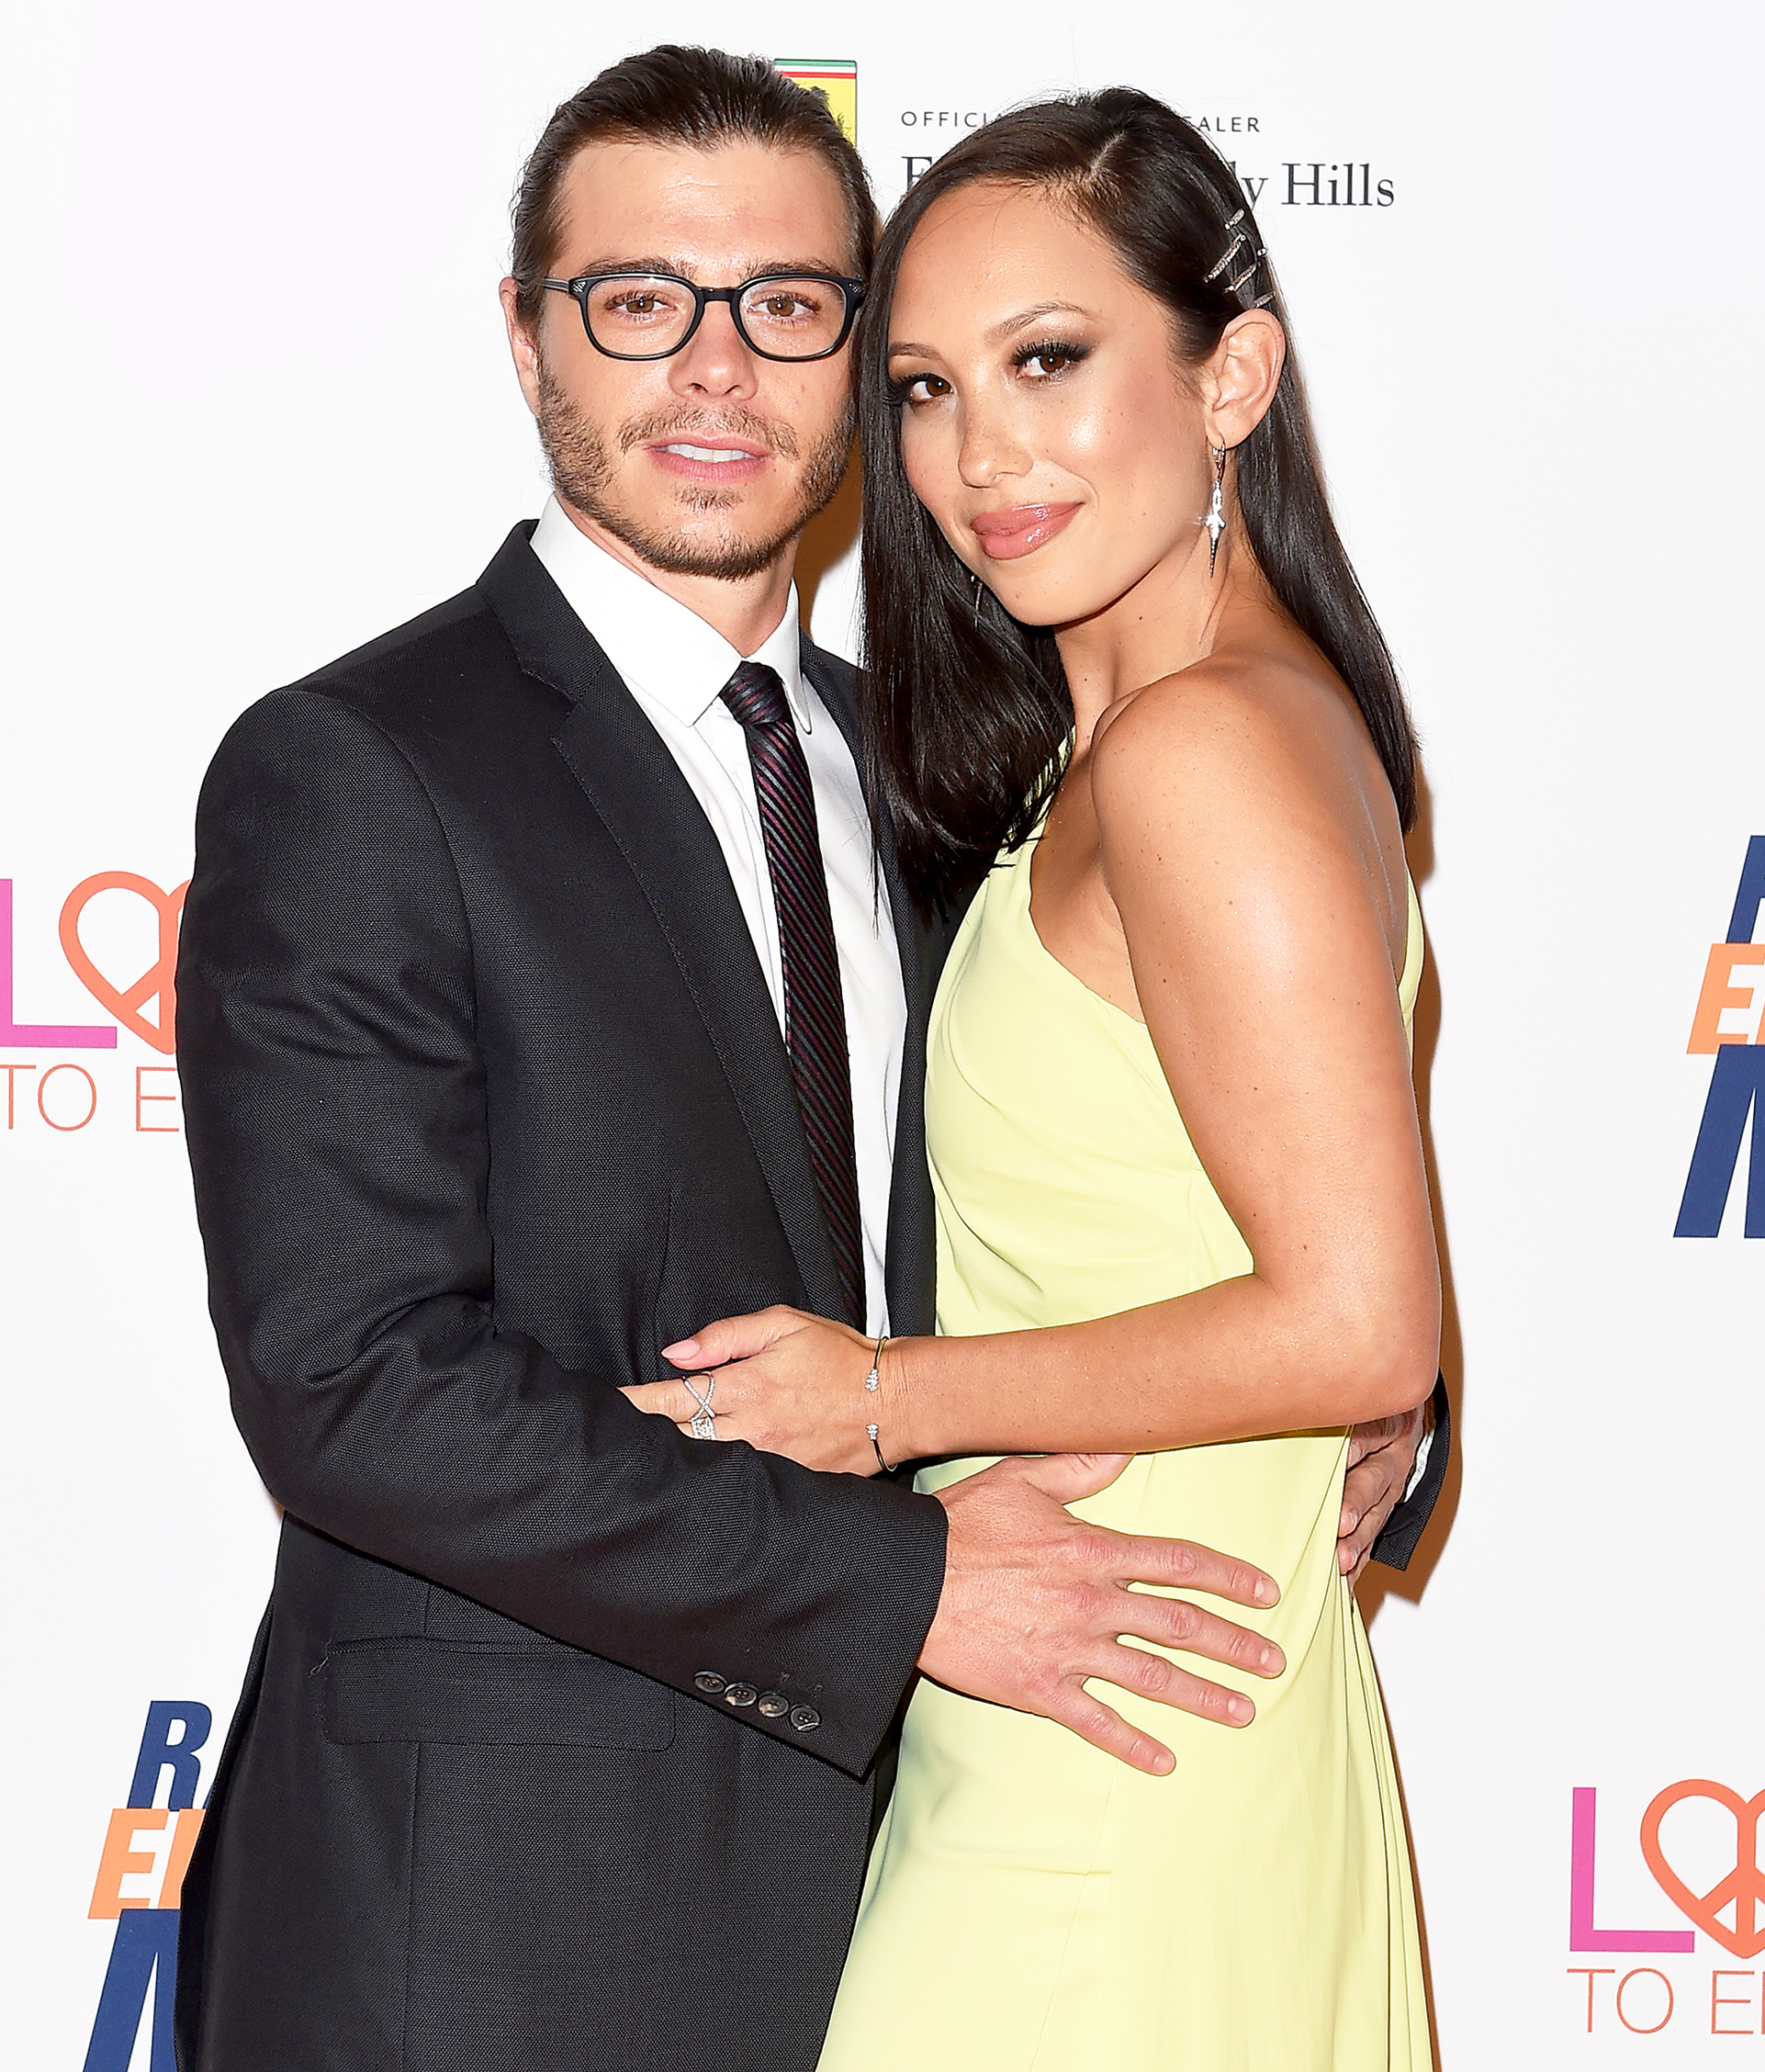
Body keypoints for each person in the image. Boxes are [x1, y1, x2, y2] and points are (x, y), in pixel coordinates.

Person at [173, 51, 1444, 2072]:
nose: (712, 369)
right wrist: (906, 1575)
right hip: (504, 1912)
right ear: (526, 337)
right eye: (634, 301)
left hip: (921, 1852)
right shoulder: (363, 769)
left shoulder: (954, 776)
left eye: (787, 306)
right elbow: (355, 1386)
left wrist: (1347, 1424)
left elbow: (1177, 1202)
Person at [625, 91, 1443, 2067]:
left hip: (1126, 1742)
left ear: (1230, 373)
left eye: (1049, 361)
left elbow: (1355, 1313)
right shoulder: (1176, 738)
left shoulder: (1202, 756)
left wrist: (887, 1396)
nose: (977, 453)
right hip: (1125, 1690)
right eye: (922, 386)